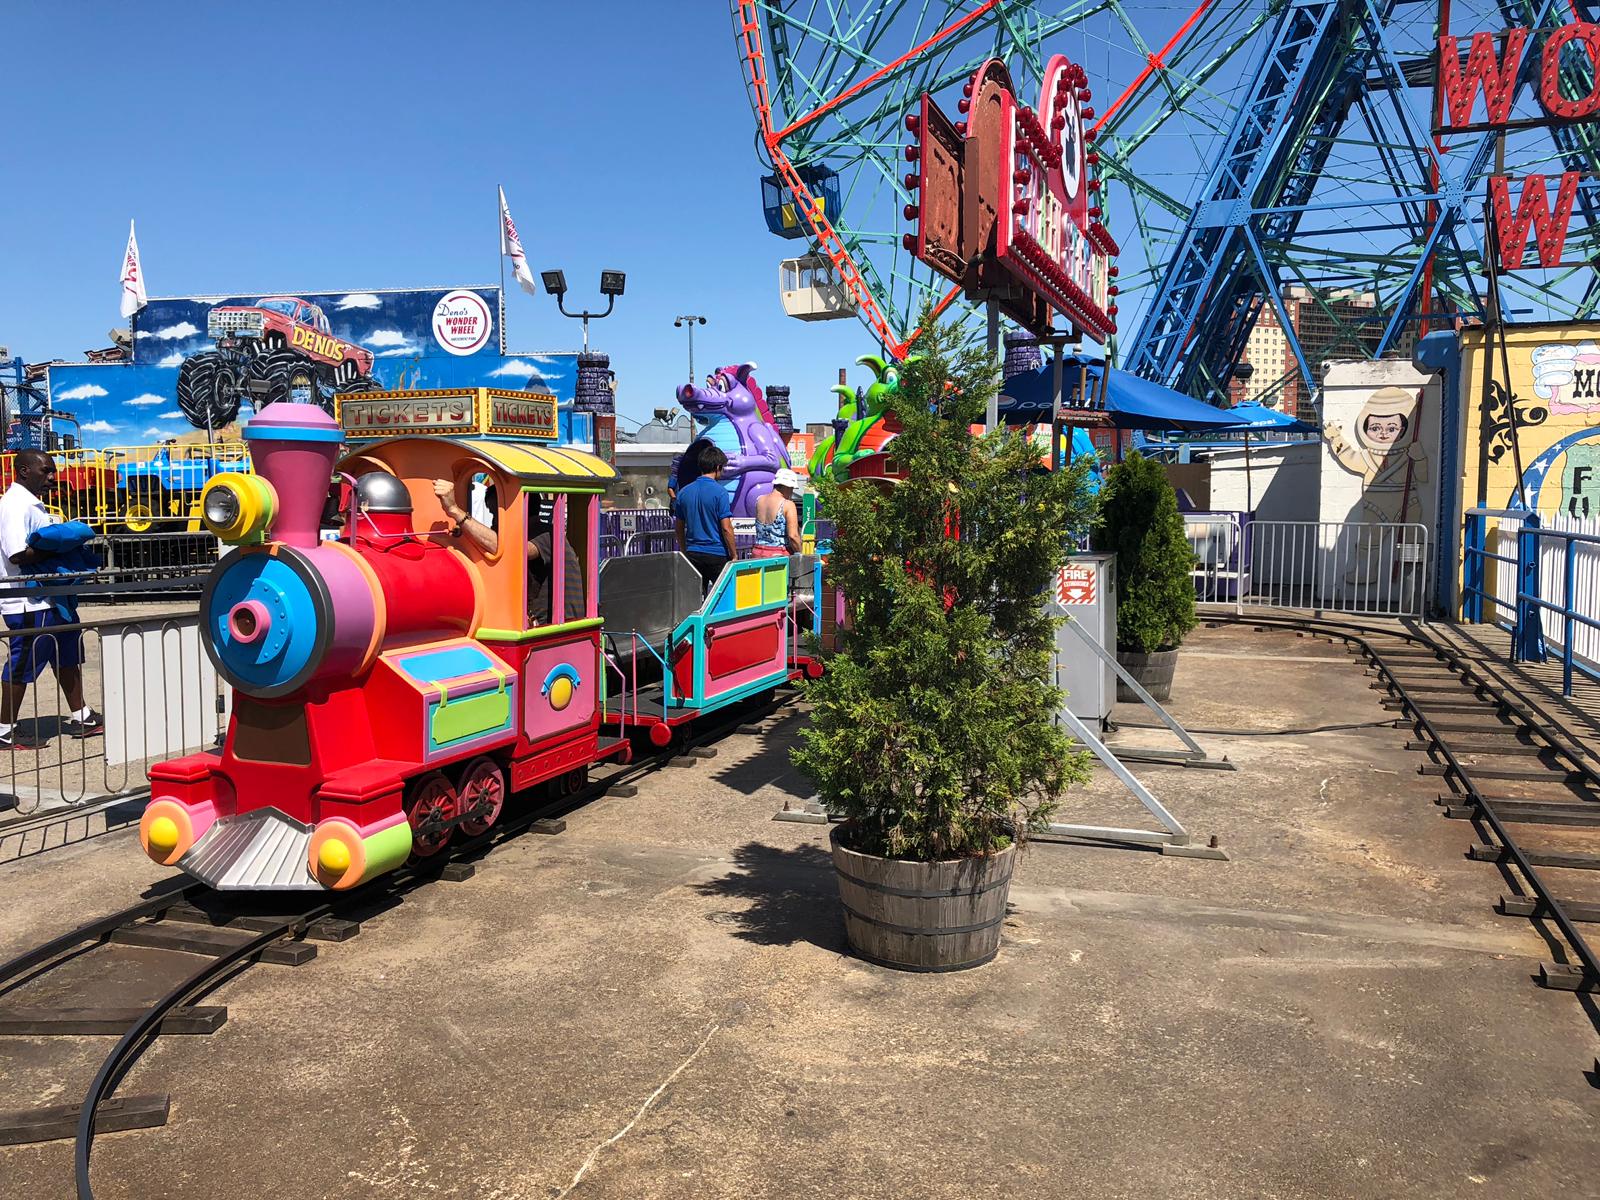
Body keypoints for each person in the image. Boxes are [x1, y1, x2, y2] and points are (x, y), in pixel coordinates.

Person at [0, 451, 102, 750]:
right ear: (23, 471)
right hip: (28, 602)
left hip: (52, 598)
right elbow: (17, 553)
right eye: (45, 471)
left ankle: (82, 717)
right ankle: (5, 730)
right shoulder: (14, 506)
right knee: (22, 664)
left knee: (66, 655)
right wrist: (64, 542)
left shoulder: (31, 504)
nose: (51, 477)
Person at [432, 480, 584, 624]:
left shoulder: (544, 532)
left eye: (496, 514)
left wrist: (455, 511)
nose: (493, 522)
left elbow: (514, 550)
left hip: (559, 627)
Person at [675, 445, 736, 593]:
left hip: (693, 553)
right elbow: (726, 528)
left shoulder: (683, 492)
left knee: (695, 599)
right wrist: (734, 555)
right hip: (717, 554)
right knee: (723, 597)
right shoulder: (720, 493)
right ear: (717, 467)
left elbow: (678, 527)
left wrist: (684, 550)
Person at [751, 468, 802, 558]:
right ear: (787, 486)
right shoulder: (788, 504)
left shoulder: (759, 500)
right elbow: (793, 536)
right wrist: (801, 553)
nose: (792, 491)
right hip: (778, 556)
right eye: (792, 488)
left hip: (758, 552)